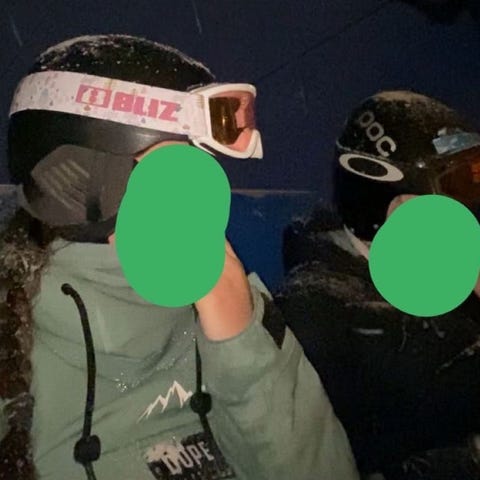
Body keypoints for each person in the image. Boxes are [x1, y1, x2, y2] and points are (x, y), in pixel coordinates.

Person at [0, 35, 359, 480]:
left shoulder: (231, 301)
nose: (200, 206)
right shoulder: (16, 339)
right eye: (178, 174)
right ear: (82, 180)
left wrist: (244, 347)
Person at [275, 90, 480, 479]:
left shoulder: (441, 270)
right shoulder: (318, 312)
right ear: (391, 201)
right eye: (451, 189)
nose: (464, 211)